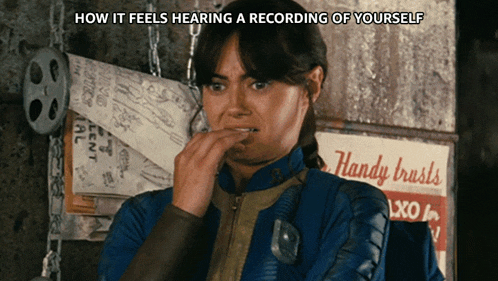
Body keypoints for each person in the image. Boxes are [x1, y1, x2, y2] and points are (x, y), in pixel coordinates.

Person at [98, 0, 392, 280]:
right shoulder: (142, 216)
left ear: (311, 86)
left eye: (259, 84)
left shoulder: (350, 208)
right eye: (217, 85)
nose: (234, 107)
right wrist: (182, 216)